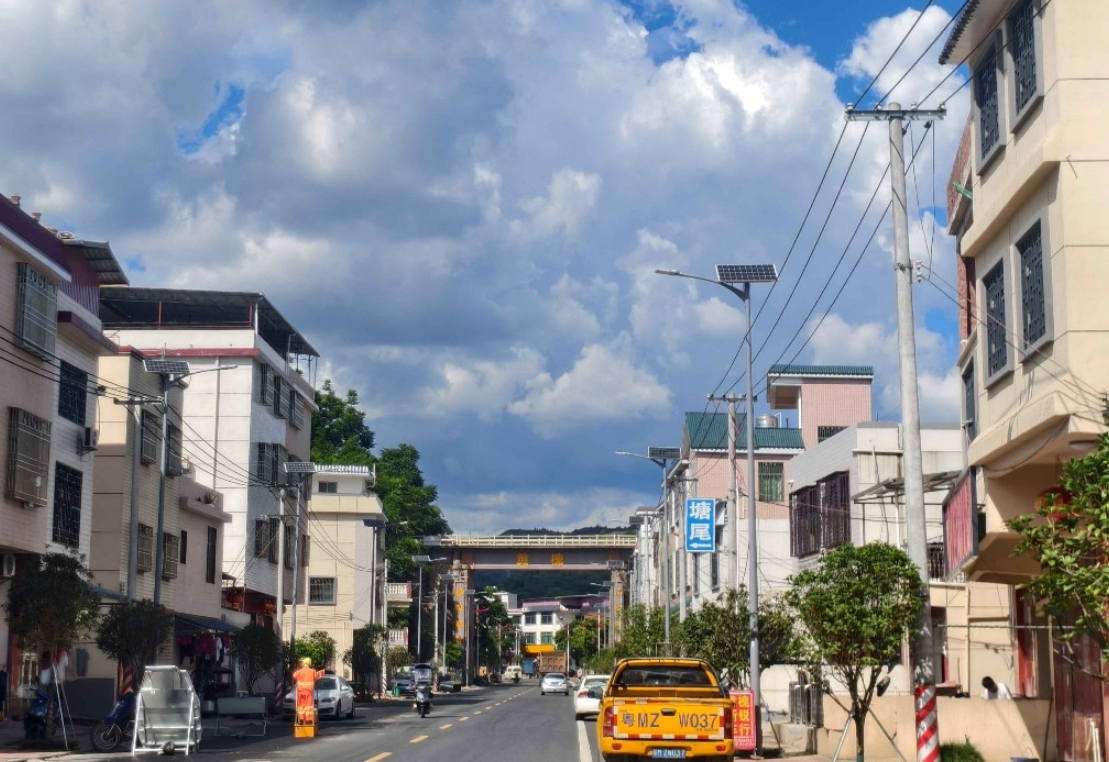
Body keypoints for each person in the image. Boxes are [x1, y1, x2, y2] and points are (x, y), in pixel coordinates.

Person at [292, 658, 324, 723]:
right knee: (308, 706)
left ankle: (301, 719)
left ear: (305, 663)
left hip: (301, 692)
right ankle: (308, 720)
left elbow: (294, 676)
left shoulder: (300, 671)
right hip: (309, 692)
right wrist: (323, 672)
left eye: (302, 662)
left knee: (301, 706)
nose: (302, 664)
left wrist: (296, 672)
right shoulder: (312, 671)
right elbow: (317, 676)